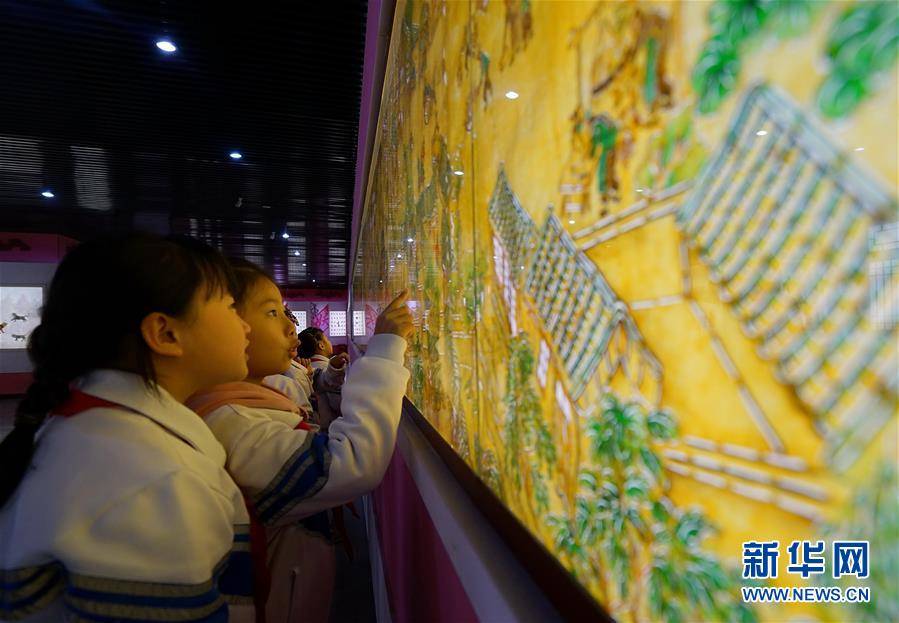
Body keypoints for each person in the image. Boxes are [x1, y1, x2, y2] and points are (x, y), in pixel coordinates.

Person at [0, 233, 257, 623]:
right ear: (165, 334)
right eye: (231, 306)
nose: (246, 327)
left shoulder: (100, 432)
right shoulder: (154, 482)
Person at [186, 259, 412, 623]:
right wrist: (385, 351)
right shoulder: (235, 423)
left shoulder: (251, 398)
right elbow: (350, 463)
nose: (292, 326)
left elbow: (313, 390)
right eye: (272, 312)